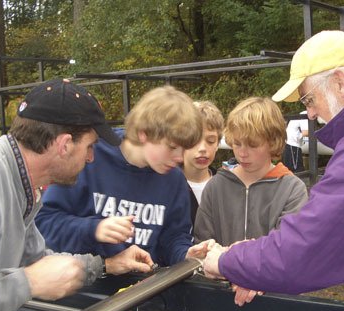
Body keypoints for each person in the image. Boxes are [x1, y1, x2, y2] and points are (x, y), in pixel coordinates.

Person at [203, 30, 344, 311]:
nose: (309, 113)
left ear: (340, 83)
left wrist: (228, 261)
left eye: (308, 100)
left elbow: (310, 247)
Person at [0, 78, 154, 311]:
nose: (91, 158)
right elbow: (33, 275)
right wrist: (27, 283)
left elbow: (38, 261)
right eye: (89, 146)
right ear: (64, 145)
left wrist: (105, 265)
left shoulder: (21, 185)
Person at [35, 85, 213, 267]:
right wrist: (94, 230)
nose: (179, 158)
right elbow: (44, 225)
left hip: (145, 289)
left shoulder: (174, 179)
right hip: (87, 287)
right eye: (173, 147)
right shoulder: (88, 159)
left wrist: (185, 254)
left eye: (185, 150)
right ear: (144, 134)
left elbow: (173, 238)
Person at [194, 97, 308, 246]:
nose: (242, 153)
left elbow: (289, 248)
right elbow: (202, 242)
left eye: (252, 145)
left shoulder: (292, 190)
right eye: (237, 144)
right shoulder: (216, 186)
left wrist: (238, 257)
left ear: (273, 142)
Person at [182, 101, 224, 227]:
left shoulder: (226, 186)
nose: (202, 148)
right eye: (194, 140)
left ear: (218, 144)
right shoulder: (168, 185)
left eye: (210, 141)